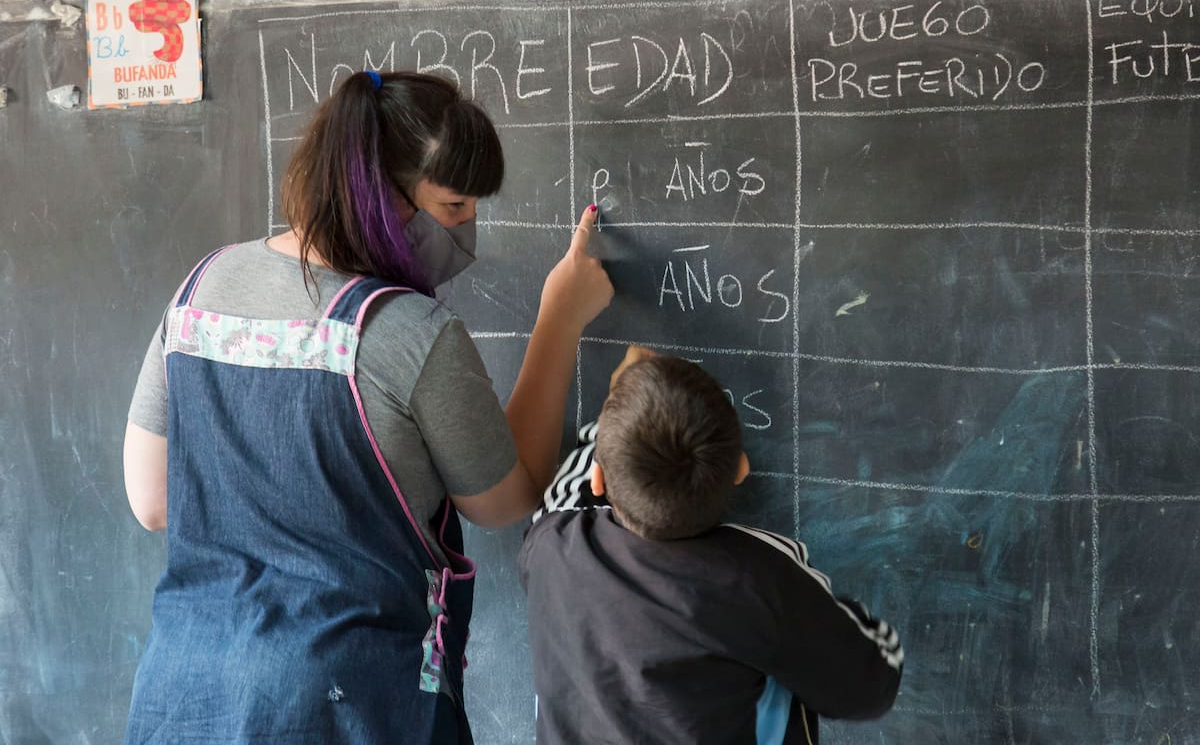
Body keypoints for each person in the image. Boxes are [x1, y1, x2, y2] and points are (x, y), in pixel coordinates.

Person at [121, 70, 612, 743]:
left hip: (187, 692)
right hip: (343, 707)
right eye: (454, 207)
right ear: (381, 196)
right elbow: (502, 500)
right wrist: (559, 319)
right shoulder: (410, 333)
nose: (469, 230)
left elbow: (152, 500)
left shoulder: (201, 289)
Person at [520, 347, 903, 745]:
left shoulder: (552, 543)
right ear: (741, 468)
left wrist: (621, 408)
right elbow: (870, 687)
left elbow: (571, 489)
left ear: (597, 479)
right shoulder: (758, 579)